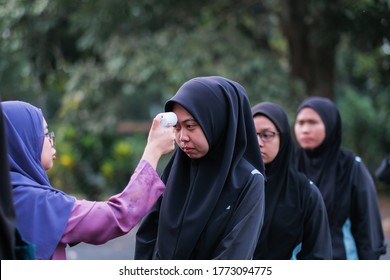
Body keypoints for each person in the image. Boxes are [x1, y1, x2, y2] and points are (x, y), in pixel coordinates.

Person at [2, 100, 176, 260]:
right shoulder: (33, 201)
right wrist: (153, 150)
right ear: (21, 141)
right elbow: (118, 215)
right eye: (45, 134)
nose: (51, 141)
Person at [135, 76, 265, 259]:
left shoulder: (248, 180)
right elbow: (148, 235)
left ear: (217, 121)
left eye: (190, 126)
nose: (182, 137)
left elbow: (235, 255)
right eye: (177, 128)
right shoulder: (175, 171)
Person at [294, 96, 386, 259]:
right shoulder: (290, 165)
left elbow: (367, 229)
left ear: (330, 125)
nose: (305, 129)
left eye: (312, 122)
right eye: (300, 123)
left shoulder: (351, 168)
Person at [251, 102, 332, 260]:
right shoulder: (231, 185)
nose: (258, 143)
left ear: (283, 138)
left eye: (266, 135)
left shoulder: (304, 192)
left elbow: (318, 256)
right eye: (251, 134)